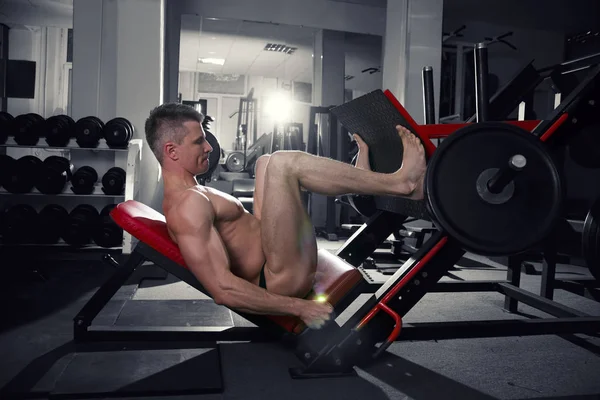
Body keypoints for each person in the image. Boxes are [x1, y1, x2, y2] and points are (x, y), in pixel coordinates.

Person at [144, 103, 426, 329]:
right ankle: (403, 184)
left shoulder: (192, 191)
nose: (209, 148)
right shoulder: (186, 206)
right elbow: (223, 289)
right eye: (199, 142)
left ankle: (365, 180)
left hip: (272, 256)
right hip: (278, 279)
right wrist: (300, 308)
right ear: (171, 151)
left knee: (267, 163)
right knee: (284, 163)